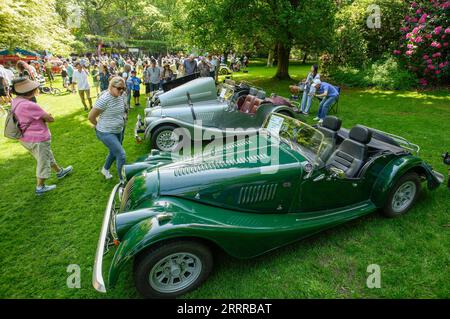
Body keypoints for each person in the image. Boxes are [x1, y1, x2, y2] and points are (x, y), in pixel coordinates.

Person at [11, 78, 73, 195]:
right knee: (43, 161)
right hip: (37, 138)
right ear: (29, 91)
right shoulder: (29, 105)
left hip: (25, 138)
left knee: (47, 155)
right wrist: (48, 116)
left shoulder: (16, 101)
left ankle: (60, 171)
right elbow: (50, 119)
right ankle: (40, 187)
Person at [88, 76, 128, 183]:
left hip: (118, 129)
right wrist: (98, 126)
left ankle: (105, 170)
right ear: (111, 86)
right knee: (121, 154)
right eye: (119, 88)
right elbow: (91, 117)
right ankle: (122, 180)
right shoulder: (104, 99)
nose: (122, 91)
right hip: (105, 132)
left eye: (123, 88)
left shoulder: (121, 96)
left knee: (114, 152)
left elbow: (122, 110)